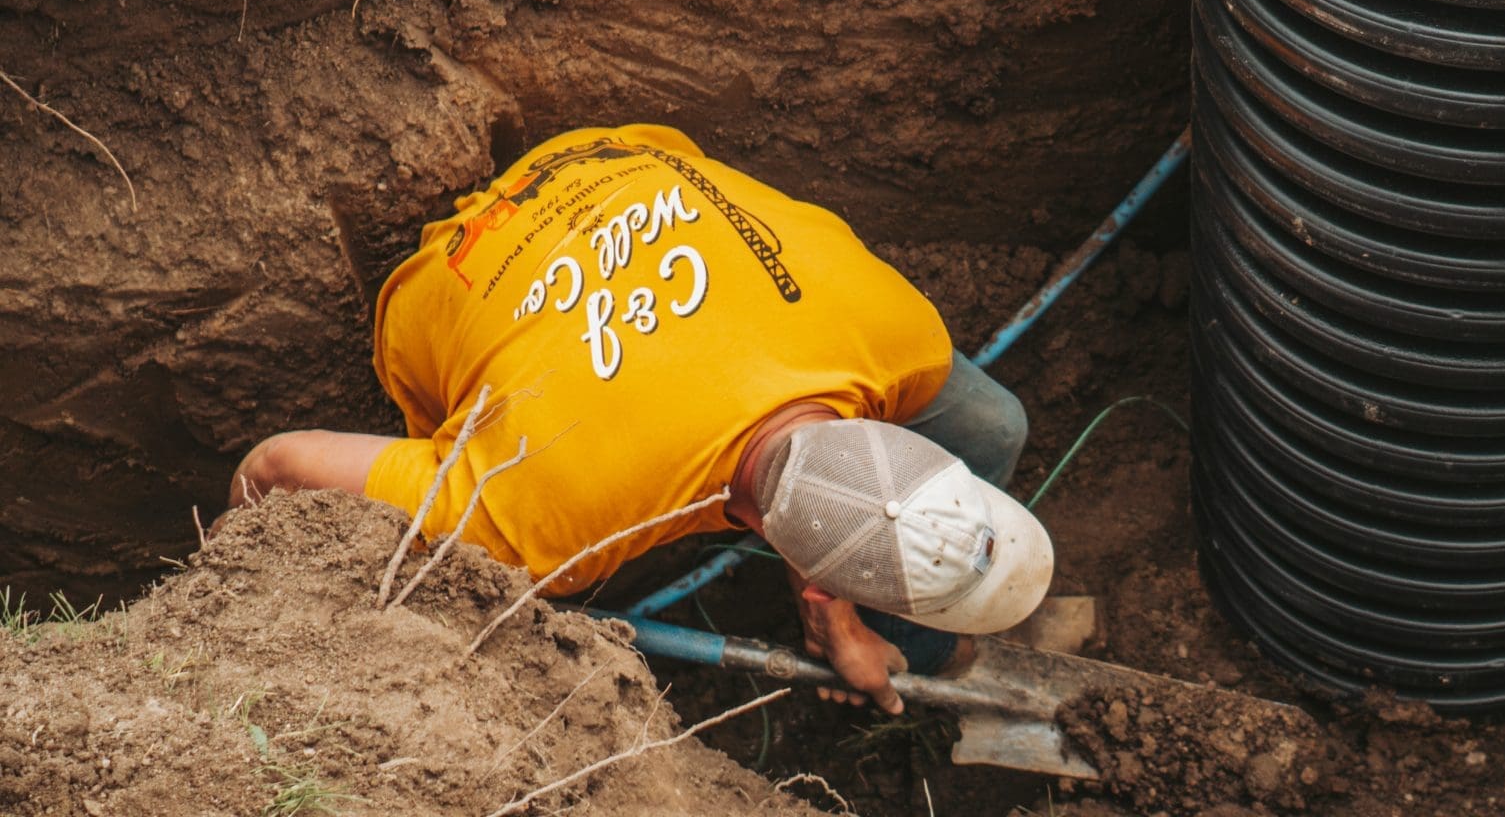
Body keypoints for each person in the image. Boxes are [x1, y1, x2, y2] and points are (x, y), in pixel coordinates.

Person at [228, 124, 1049, 713]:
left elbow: (834, 480)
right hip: (457, 275)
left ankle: (929, 642)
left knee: (992, 424)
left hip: (609, 159)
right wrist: (241, 594)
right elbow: (278, 464)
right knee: (534, 595)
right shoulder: (549, 521)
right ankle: (938, 652)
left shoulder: (895, 334)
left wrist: (836, 621)